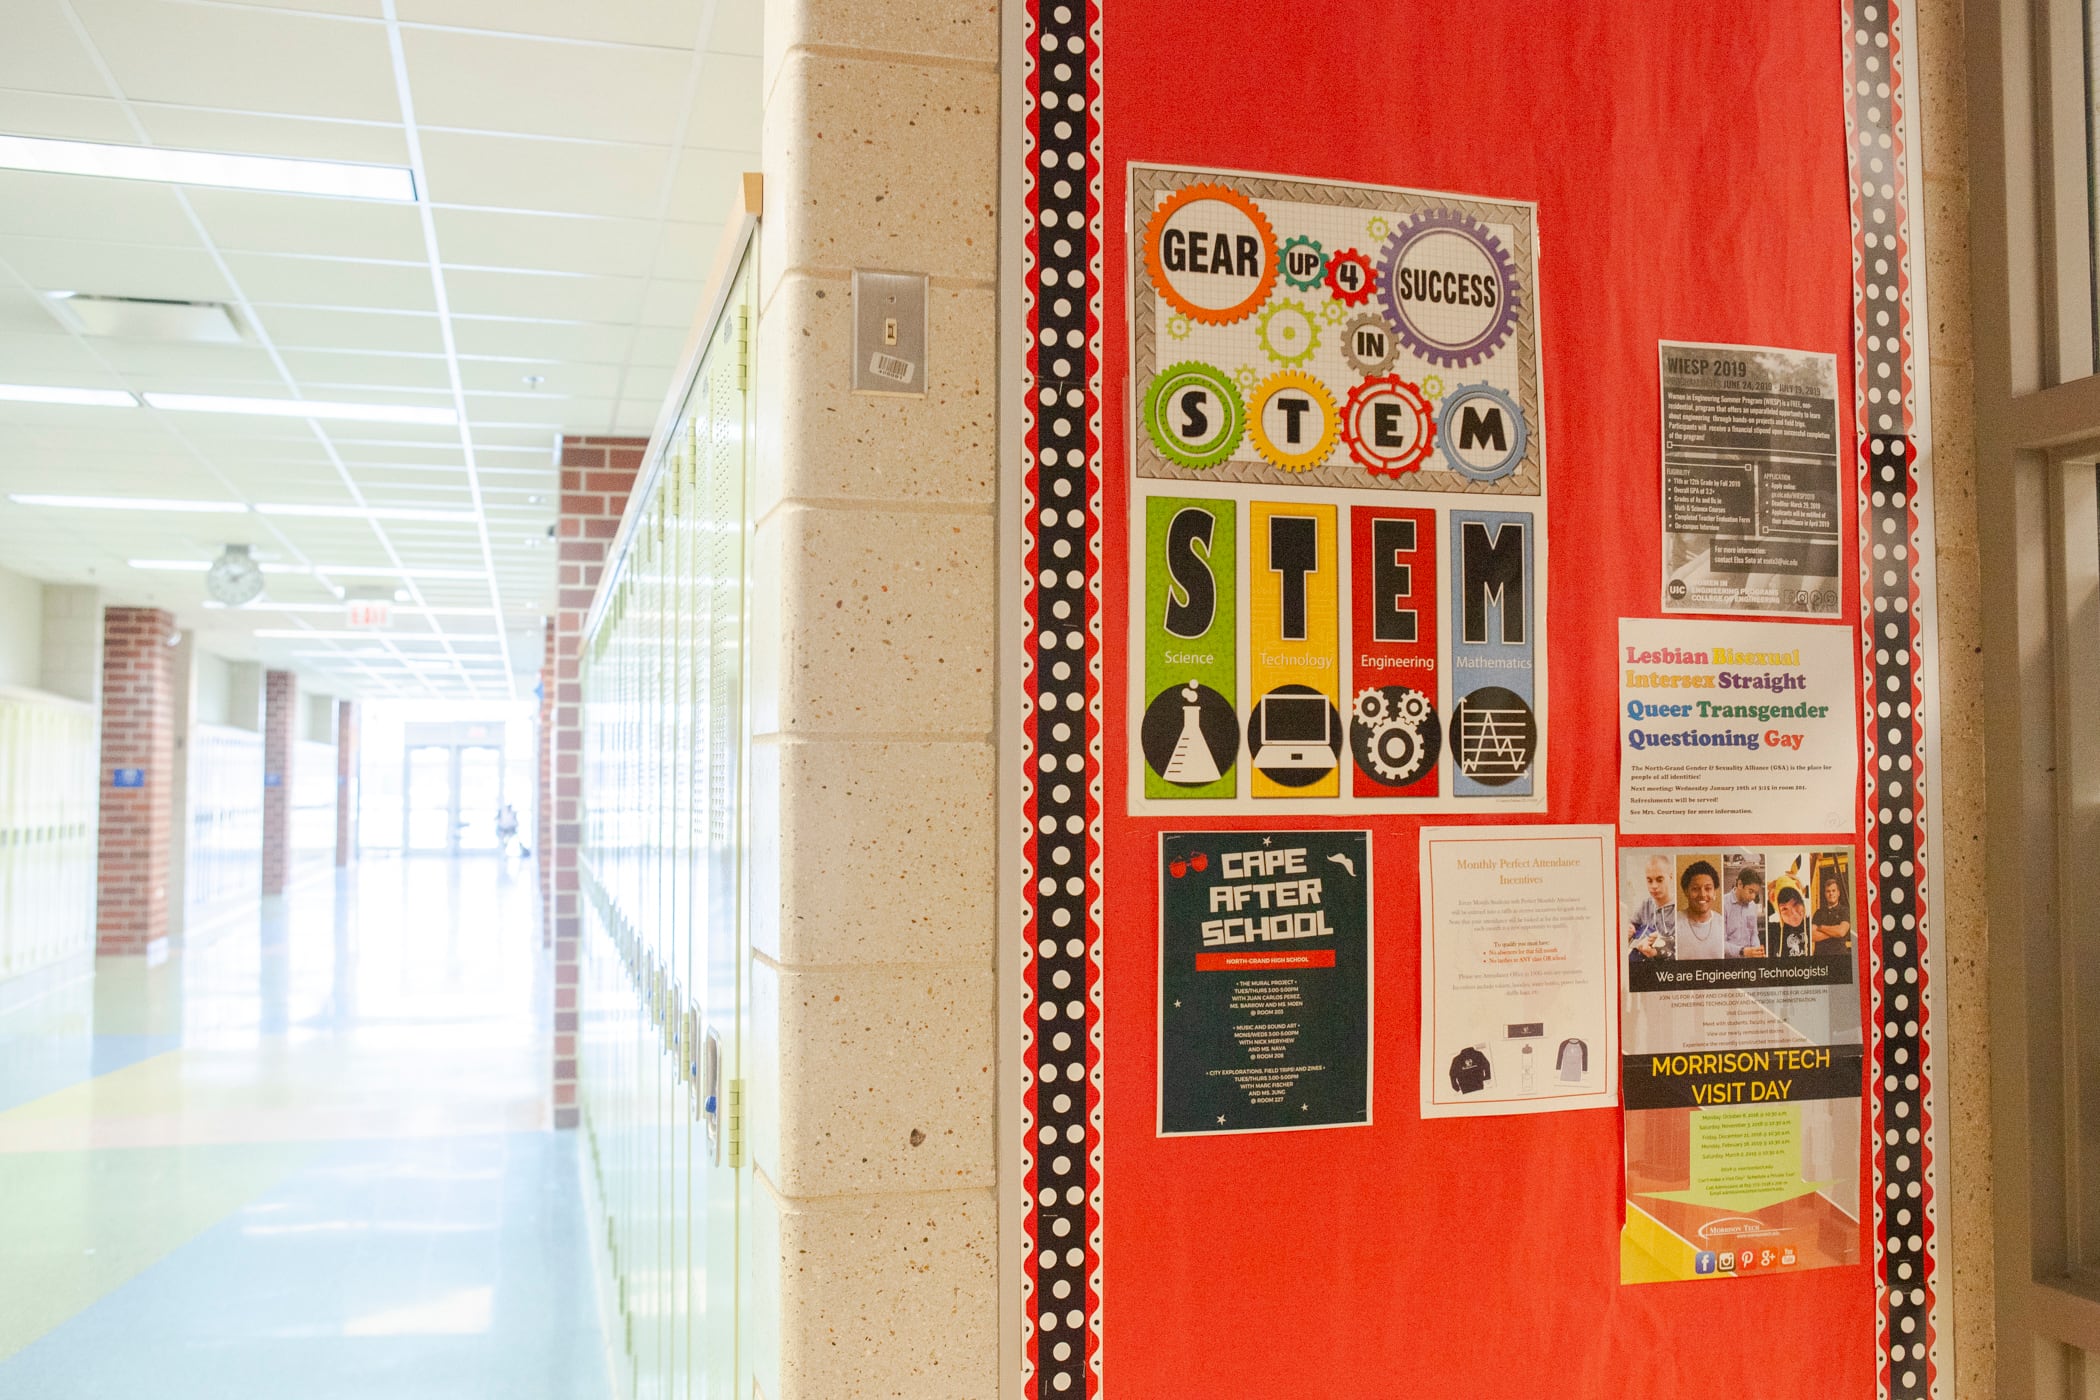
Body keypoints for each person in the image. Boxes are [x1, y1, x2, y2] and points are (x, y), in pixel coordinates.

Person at [1673, 860, 1727, 960]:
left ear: (1714, 892)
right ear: (1686, 892)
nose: (1702, 894)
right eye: (1695, 888)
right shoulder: (1673, 924)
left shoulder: (1723, 924)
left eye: (1708, 888)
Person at [1628, 855, 1673, 961]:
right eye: (1649, 880)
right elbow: (1632, 925)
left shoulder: (1678, 909)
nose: (1654, 886)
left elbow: (1680, 946)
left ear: (1670, 877)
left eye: (1659, 880)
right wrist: (1629, 930)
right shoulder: (1645, 905)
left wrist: (1661, 941)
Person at [1724, 865, 1766, 958]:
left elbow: (1754, 934)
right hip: (1729, 965)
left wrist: (1757, 950)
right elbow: (1720, 944)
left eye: (1755, 893)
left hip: (1749, 962)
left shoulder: (1752, 906)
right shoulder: (1724, 904)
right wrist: (1742, 951)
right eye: (1750, 891)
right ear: (1740, 884)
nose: (1753, 897)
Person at [1813, 867, 1853, 954]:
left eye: (1833, 891)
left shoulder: (1845, 911)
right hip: (1821, 959)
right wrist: (1834, 932)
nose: (1831, 893)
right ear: (1825, 894)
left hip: (1839, 958)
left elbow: (1841, 932)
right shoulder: (1818, 913)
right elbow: (1812, 936)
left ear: (1838, 893)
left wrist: (1820, 927)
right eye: (1828, 891)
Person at [1770, 882, 1811, 957]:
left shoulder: (1811, 923)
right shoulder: (1774, 931)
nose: (1793, 914)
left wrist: (1805, 890)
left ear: (1803, 904)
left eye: (1796, 904)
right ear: (1779, 912)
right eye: (1784, 909)